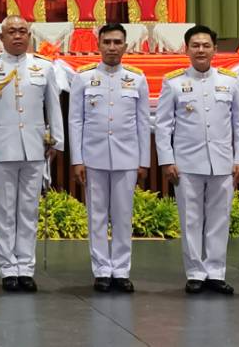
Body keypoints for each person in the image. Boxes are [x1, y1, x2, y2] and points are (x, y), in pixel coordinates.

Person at [0, 14, 63, 293]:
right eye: (12, 31)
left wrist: (57, 141)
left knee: (28, 210)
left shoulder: (43, 66)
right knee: (4, 211)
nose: (18, 35)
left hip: (34, 148)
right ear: (1, 37)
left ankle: (26, 267)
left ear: (29, 35)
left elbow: (53, 106)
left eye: (23, 31)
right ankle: (8, 268)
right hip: (1, 148)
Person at [155, 24, 239, 295]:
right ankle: (195, 272)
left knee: (220, 219)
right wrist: (166, 160)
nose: (201, 50)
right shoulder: (173, 82)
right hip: (186, 162)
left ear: (215, 49)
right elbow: (163, 125)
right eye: (195, 45)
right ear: (187, 49)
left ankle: (216, 272)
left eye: (206, 45)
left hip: (222, 162)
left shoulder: (229, 81)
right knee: (191, 219)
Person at [68, 23, 149, 293]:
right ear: (99, 45)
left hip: (127, 157)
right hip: (94, 156)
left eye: (117, 42)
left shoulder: (137, 78)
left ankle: (121, 270)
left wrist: (143, 161)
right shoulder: (83, 78)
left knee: (124, 216)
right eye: (107, 42)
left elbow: (143, 122)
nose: (112, 47)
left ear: (125, 46)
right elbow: (75, 121)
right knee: (97, 216)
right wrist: (77, 159)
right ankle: (102, 270)